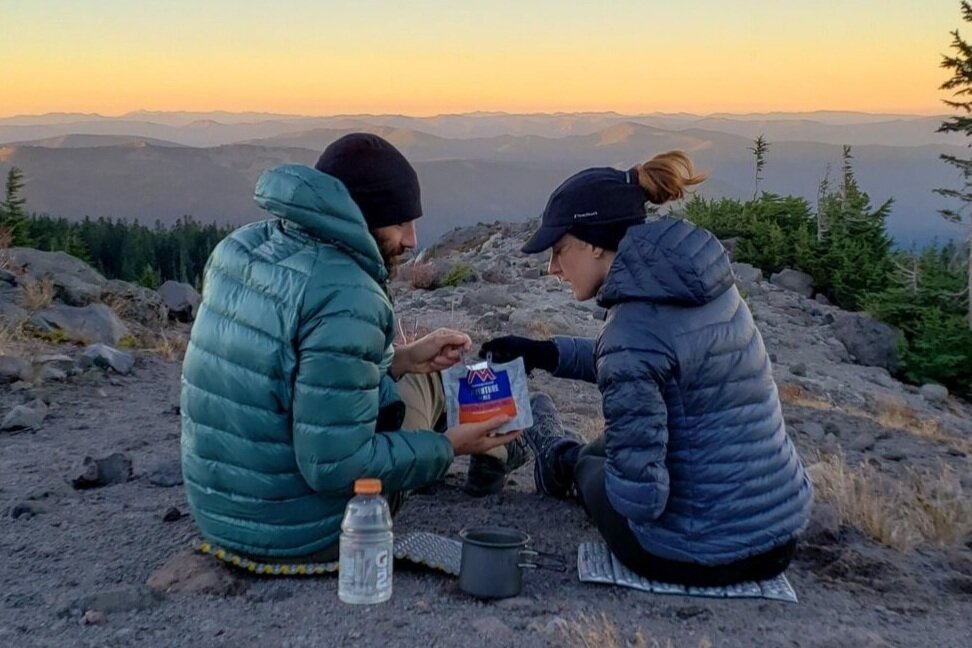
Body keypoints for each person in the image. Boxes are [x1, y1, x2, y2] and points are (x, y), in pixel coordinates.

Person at [180, 133, 522, 563]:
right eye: (400, 223)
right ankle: (503, 445)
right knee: (437, 385)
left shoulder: (240, 248)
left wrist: (402, 359)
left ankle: (486, 444)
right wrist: (448, 447)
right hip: (308, 532)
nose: (413, 240)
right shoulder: (348, 294)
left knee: (422, 372)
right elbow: (338, 466)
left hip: (222, 515)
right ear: (361, 218)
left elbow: (296, 373)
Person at [481, 151, 813, 586]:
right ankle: (571, 457)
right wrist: (544, 353)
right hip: (778, 538)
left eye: (560, 249)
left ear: (595, 242)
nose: (553, 268)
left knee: (595, 464)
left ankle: (557, 457)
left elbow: (640, 500)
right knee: (616, 442)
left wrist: (607, 462)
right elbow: (655, 364)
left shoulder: (633, 330)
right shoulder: (699, 284)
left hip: (693, 554)